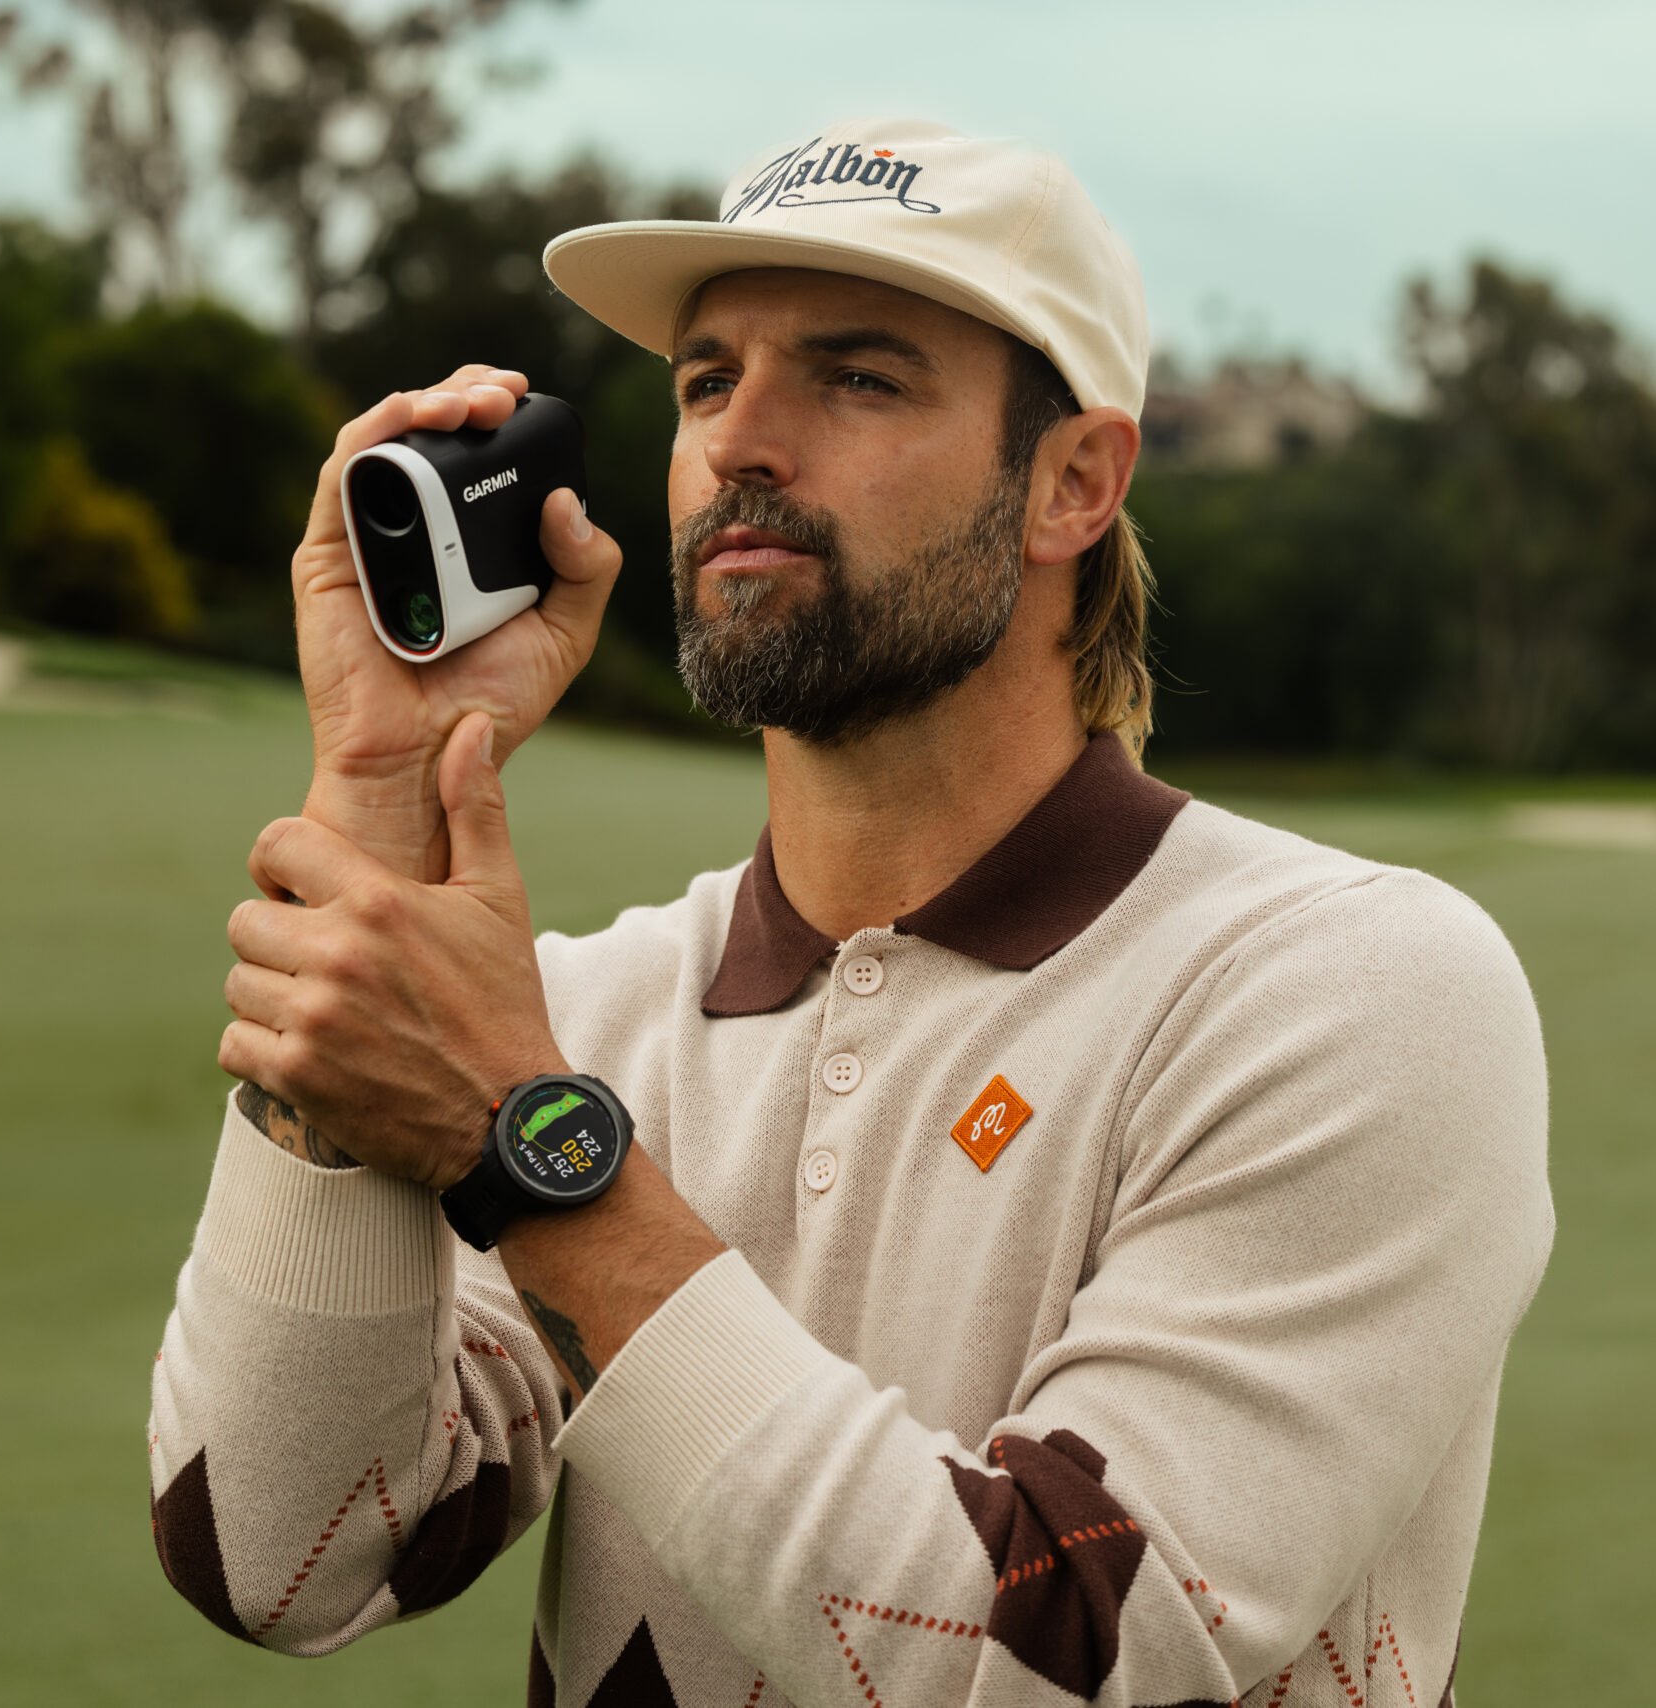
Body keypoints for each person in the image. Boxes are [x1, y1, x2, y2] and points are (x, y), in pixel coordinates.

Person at [147, 117, 1555, 1708]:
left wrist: (531, 1156)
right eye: (704, 381)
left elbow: (1070, 1655)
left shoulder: (1353, 986)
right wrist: (385, 792)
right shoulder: (583, 1018)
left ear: (1073, 482)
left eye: (859, 376)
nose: (742, 440)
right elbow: (280, 1551)